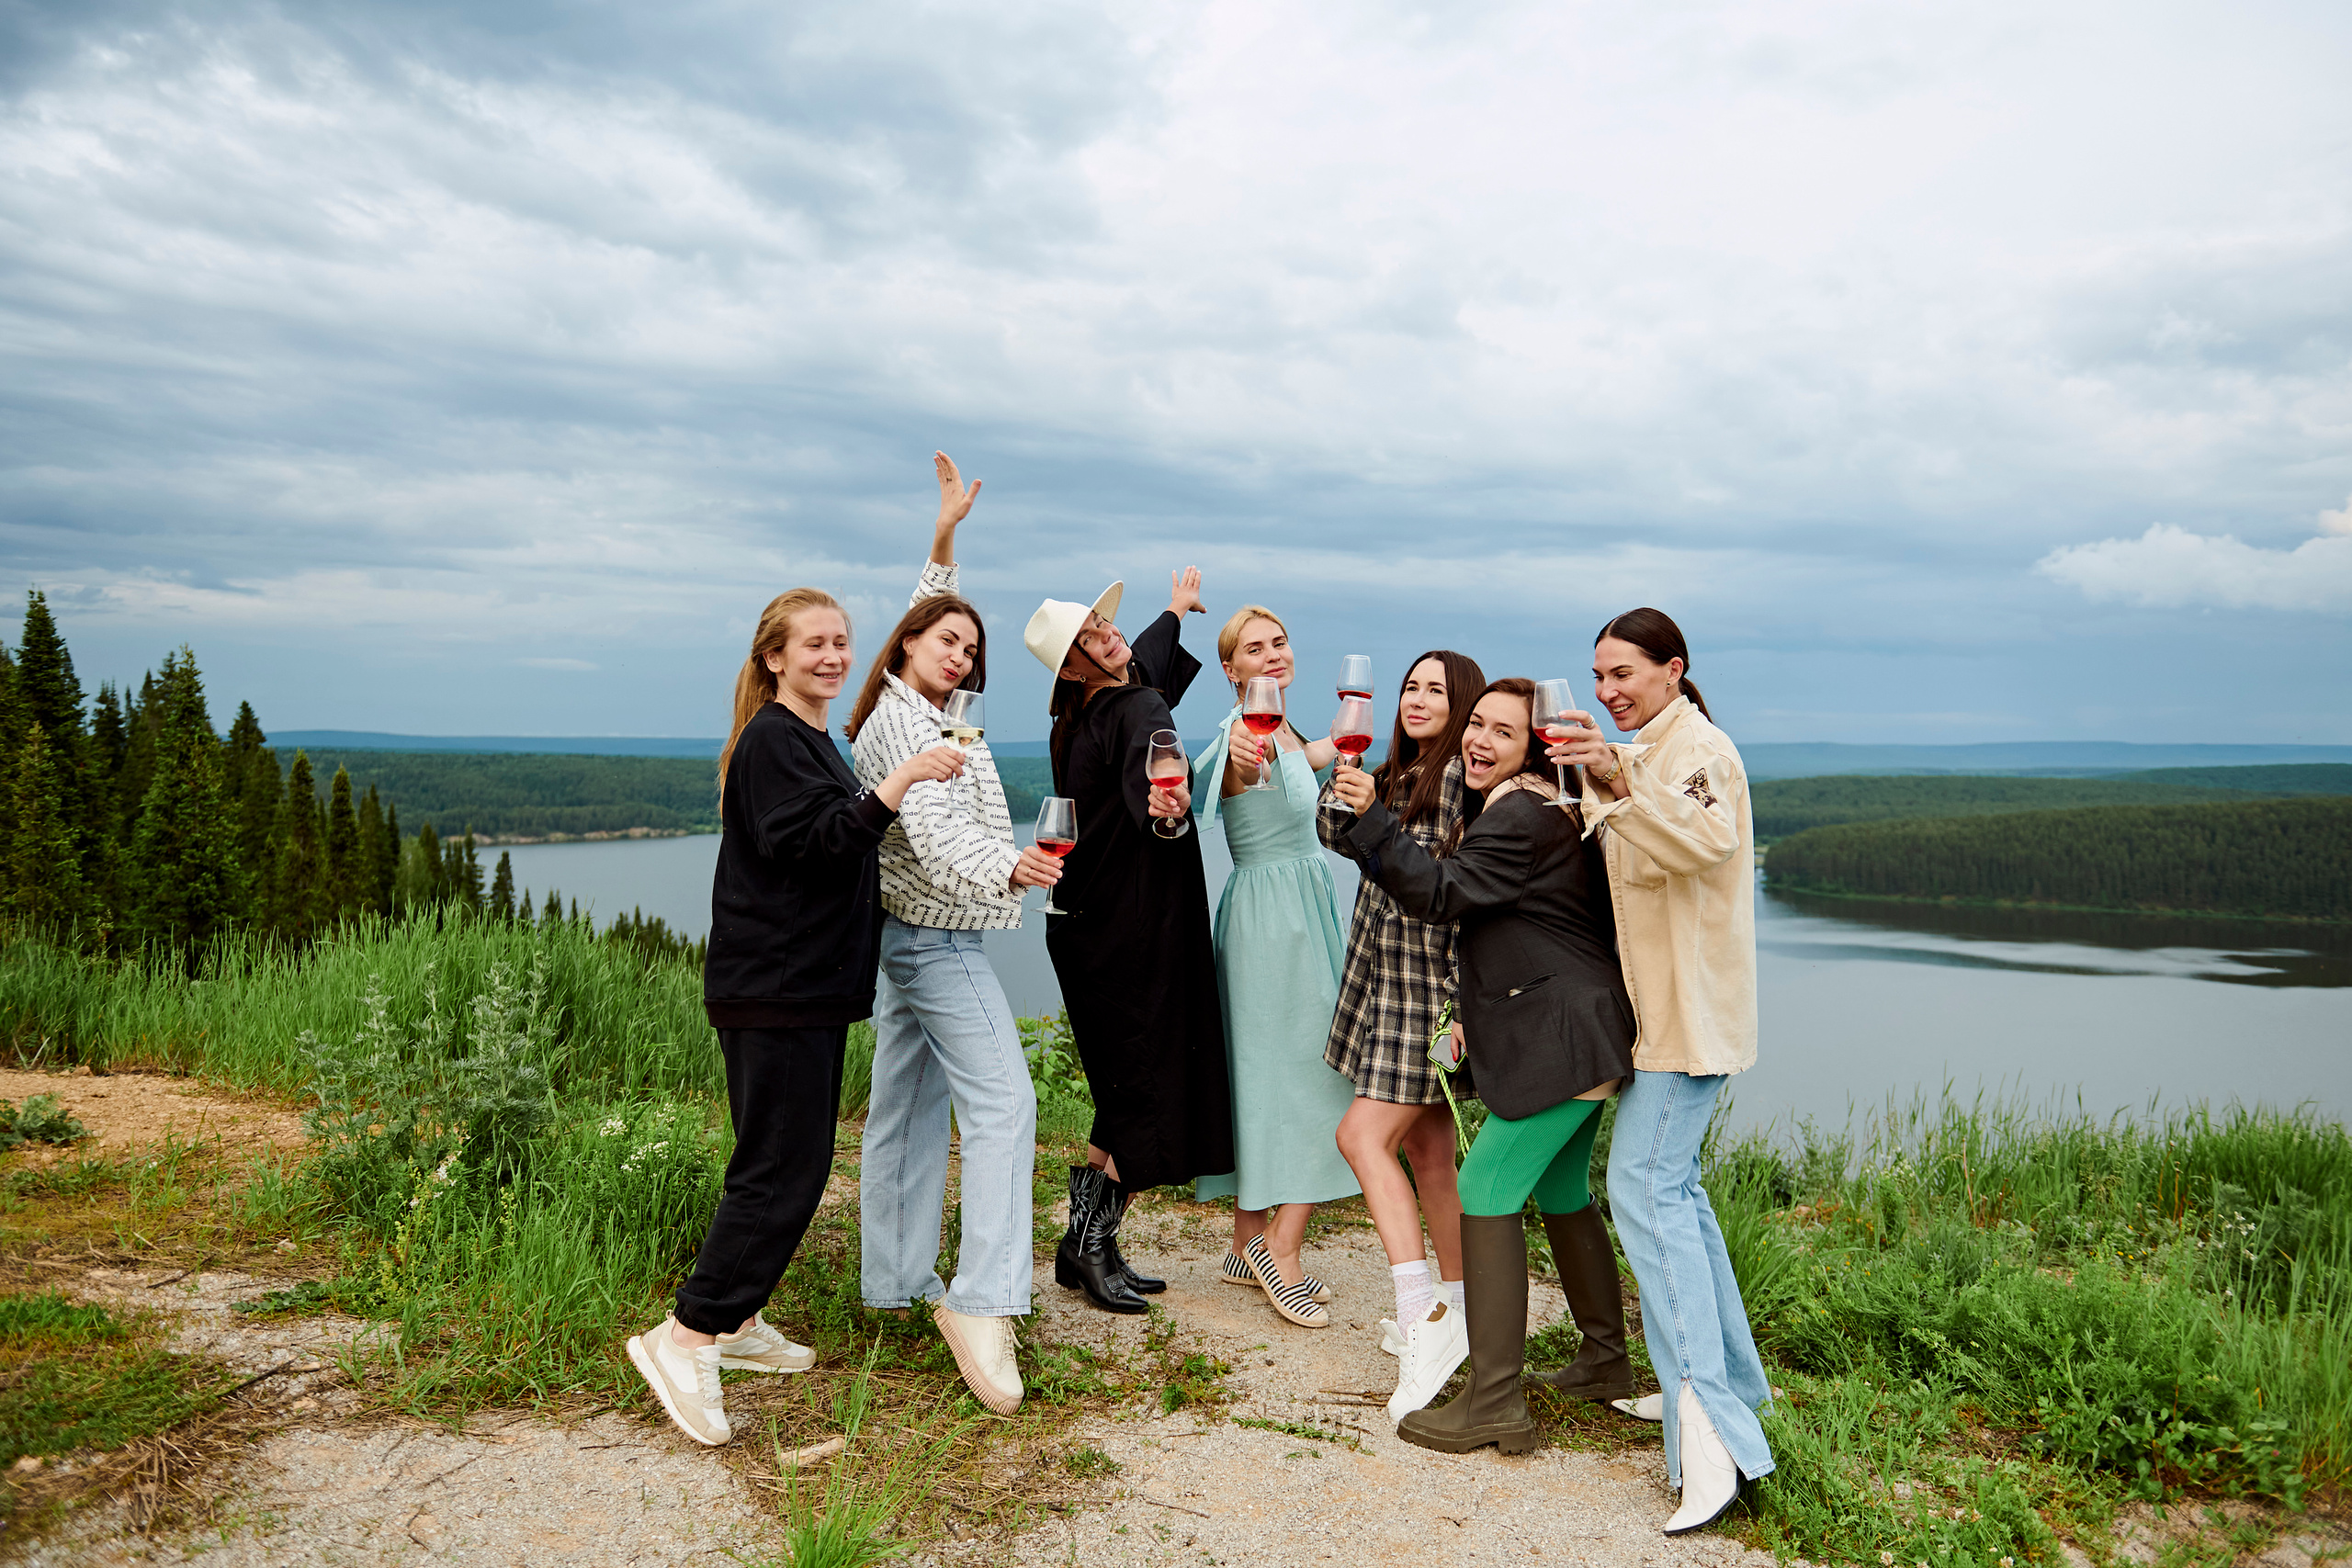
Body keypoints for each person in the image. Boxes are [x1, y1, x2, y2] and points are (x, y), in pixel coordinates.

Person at [628, 586, 964, 1448]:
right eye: (813, 642)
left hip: (801, 989)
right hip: (776, 988)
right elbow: (816, 844)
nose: (833, 655)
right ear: (773, 657)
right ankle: (687, 1335)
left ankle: (737, 1322)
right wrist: (899, 780)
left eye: (842, 641)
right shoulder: (774, 739)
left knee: (787, 1160)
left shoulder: (810, 736)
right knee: (779, 1170)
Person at [1331, 678, 1636, 1454]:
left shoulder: (1519, 813)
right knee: (1562, 1191)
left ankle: (1495, 1399)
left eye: (1504, 731)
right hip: (1582, 1026)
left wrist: (1372, 819)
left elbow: (1441, 891)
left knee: (1484, 1188)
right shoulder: (1540, 804)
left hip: (1561, 1036)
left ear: (1532, 748)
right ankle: (1604, 1360)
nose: (1479, 739)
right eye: (1477, 723)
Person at [846, 453, 1067, 1417]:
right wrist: (1011, 867)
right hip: (934, 941)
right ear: (906, 647)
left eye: (971, 649)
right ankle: (981, 1303)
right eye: (947, 641)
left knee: (903, 1111)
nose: (963, 655)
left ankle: (896, 1282)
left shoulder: (908, 705)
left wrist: (943, 538)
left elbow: (931, 607)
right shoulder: (909, 730)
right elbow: (934, 835)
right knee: (1006, 1104)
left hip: (903, 938)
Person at [1545, 607, 1772, 1535]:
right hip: (1654, 1024)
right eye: (1598, 675)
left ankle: (1714, 1437)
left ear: (1673, 669)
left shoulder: (1698, 751)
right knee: (1678, 1195)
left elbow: (1706, 841)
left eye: (1624, 673)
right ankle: (1735, 1390)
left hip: (1687, 1025)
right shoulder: (1640, 751)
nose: (1608, 690)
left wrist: (1615, 779)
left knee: (1644, 1190)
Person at [1026, 569, 1234, 1313]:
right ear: (1072, 667)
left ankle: (1083, 1245)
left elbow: (1142, 655)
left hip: (1083, 924)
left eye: (1103, 622)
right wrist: (1171, 813)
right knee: (1149, 1086)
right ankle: (1091, 1244)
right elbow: (1157, 804)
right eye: (1089, 636)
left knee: (1121, 1084)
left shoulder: (1081, 712)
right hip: (1135, 931)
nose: (1108, 634)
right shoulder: (1139, 705)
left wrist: (1174, 609)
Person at [1316, 649, 1487, 1420]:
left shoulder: (1452, 779)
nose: (1416, 699)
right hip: (1386, 977)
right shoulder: (1399, 772)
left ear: (1463, 705)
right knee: (1429, 1155)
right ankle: (1465, 1313)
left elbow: (1442, 882)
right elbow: (1332, 831)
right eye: (1410, 686)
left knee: (1361, 1136)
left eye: (1435, 690)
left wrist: (1458, 1009)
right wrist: (1349, 772)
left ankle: (1423, 1314)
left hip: (1425, 986)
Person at [1191, 606, 1362, 1329]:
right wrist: (1245, 752)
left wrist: (1352, 727)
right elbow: (1242, 763)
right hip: (1273, 924)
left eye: (1279, 642)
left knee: (1266, 1079)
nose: (1271, 654)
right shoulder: (1245, 735)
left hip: (1297, 912)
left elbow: (1311, 754)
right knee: (1322, 1079)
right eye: (1253, 648)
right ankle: (1278, 1249)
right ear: (1230, 669)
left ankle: (1243, 1243)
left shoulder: (1285, 730)